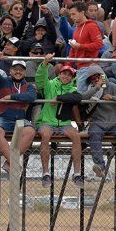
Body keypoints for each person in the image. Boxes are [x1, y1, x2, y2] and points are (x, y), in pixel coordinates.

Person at [79, 64, 116, 179]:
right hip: (97, 122)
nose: (96, 79)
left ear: (103, 76)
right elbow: (82, 98)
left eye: (98, 76)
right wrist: (97, 88)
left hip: (114, 123)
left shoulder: (112, 86)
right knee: (94, 134)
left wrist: (113, 98)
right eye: (93, 77)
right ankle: (100, 165)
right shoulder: (89, 89)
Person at [34, 54, 83, 187]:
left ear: (72, 78)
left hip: (65, 124)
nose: (65, 77)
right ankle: (45, 173)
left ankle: (77, 174)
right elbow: (40, 78)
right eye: (63, 74)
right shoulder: (50, 85)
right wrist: (44, 63)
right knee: (45, 135)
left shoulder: (73, 89)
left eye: (69, 75)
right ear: (59, 74)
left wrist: (59, 98)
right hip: (47, 121)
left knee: (76, 136)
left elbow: (77, 98)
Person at [0, 51, 37, 173]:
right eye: (15, 69)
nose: (18, 72)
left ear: (25, 72)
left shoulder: (29, 86)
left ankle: (10, 161)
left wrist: (11, 97)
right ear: (10, 71)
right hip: (1, 117)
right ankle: (14, 163)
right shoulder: (2, 81)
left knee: (30, 131)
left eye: (21, 69)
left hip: (19, 119)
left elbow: (31, 96)